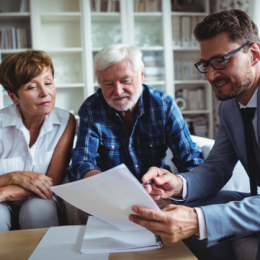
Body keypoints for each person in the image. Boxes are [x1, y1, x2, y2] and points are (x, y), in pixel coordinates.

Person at [129, 9, 260, 260]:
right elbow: (216, 168)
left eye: (221, 61)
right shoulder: (230, 108)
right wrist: (178, 184)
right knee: (183, 204)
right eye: (205, 65)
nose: (211, 75)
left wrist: (199, 220)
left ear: (253, 54)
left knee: (196, 215)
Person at [66, 43, 204, 224]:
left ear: (141, 76)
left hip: (154, 192)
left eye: (125, 81)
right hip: (107, 194)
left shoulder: (164, 106)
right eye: (108, 83)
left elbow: (191, 160)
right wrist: (99, 181)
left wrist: (174, 187)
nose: (117, 91)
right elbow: (82, 160)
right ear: (99, 83)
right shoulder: (91, 108)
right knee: (77, 207)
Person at [0, 50, 75, 231]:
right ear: (13, 97)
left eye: (48, 83)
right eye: (32, 87)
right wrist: (14, 177)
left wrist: (5, 191)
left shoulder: (66, 121)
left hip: (42, 199)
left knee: (36, 208)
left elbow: (52, 182)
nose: (45, 93)